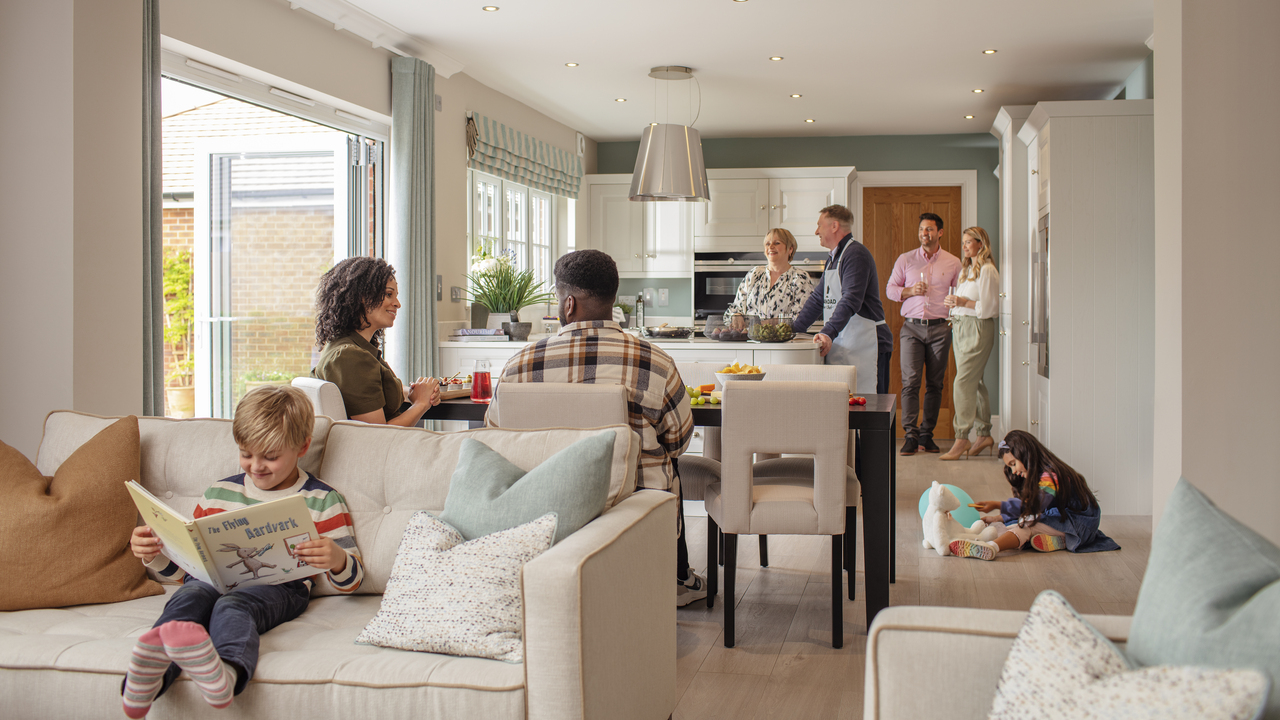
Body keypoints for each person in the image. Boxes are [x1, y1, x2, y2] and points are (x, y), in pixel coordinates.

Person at [122, 386, 365, 718]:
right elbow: (186, 574)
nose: (256, 466)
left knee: (233, 605)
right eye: (246, 454)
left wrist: (336, 559)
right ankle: (150, 677)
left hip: (282, 587)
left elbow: (353, 580)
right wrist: (156, 555)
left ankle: (228, 673)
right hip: (212, 580)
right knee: (189, 597)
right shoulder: (219, 493)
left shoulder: (321, 500)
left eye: (270, 456)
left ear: (302, 447)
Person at [486, 249, 702, 606]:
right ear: (612, 298)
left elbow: (495, 438)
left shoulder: (518, 366)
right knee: (663, 459)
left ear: (568, 304)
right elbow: (678, 440)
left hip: (544, 512)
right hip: (633, 513)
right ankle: (675, 579)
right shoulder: (655, 363)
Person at [949, 430, 1120, 561]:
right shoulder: (1041, 474)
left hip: (1079, 524)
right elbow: (1027, 505)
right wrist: (999, 518)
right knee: (1013, 522)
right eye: (1010, 467)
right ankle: (1060, 540)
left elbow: (1035, 506)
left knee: (1025, 526)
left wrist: (998, 505)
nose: (1014, 471)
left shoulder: (1050, 477)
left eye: (1014, 464)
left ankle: (990, 548)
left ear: (1025, 454)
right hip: (1064, 518)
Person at [312, 257, 440, 426]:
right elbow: (377, 434)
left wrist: (415, 392)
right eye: (388, 294)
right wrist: (421, 404)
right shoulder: (350, 357)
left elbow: (370, 391)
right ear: (361, 297)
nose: (397, 304)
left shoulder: (347, 346)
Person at [885, 212, 962, 455]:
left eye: (929, 230)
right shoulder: (906, 259)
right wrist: (909, 291)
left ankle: (927, 435)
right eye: (921, 230)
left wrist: (956, 303)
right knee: (910, 383)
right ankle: (910, 435)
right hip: (911, 328)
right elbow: (890, 289)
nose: (924, 234)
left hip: (941, 328)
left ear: (939, 232)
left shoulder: (953, 262)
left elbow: (960, 294)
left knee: (935, 384)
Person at [792, 205, 887, 395]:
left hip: (868, 342)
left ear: (834, 226)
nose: (816, 231)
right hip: (846, 341)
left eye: (820, 225)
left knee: (872, 410)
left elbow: (851, 298)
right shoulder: (833, 258)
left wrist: (828, 332)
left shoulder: (855, 254)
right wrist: (794, 330)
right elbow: (819, 298)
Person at [940, 227, 1000, 460]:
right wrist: (955, 304)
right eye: (963, 242)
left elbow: (989, 308)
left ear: (980, 244)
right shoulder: (967, 271)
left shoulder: (987, 271)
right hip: (961, 327)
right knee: (975, 382)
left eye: (968, 242)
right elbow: (965, 304)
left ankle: (962, 436)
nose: (964, 246)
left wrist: (963, 301)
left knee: (962, 382)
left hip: (977, 329)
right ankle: (984, 434)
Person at [724, 228, 815, 319]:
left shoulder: (800, 278)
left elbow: (801, 318)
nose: (770, 247)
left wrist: (765, 325)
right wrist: (736, 316)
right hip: (750, 333)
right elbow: (734, 310)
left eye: (777, 243)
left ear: (790, 249)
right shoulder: (754, 274)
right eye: (767, 244)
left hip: (784, 334)